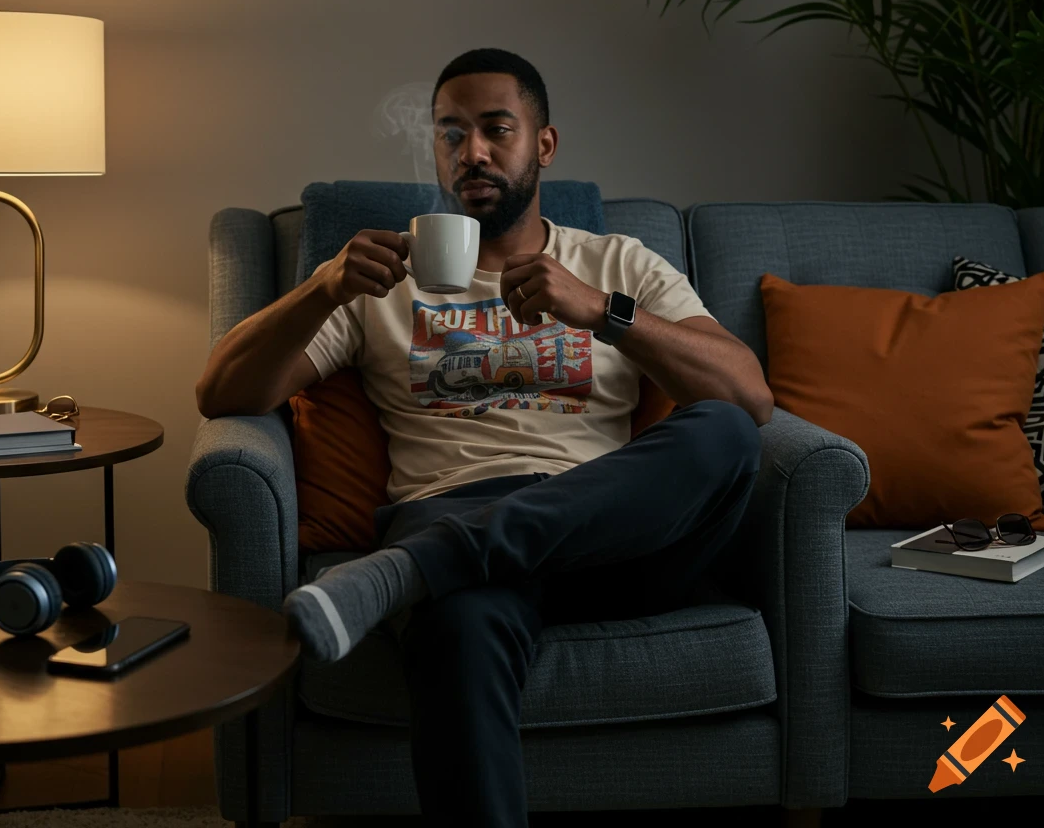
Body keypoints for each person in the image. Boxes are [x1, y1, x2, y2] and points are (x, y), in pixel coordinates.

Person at [195, 47, 774, 828]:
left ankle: (410, 571)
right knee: (457, 626)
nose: (472, 152)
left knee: (725, 431)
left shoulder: (615, 263)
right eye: (451, 133)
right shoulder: (380, 281)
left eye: (497, 129)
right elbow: (222, 392)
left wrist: (602, 311)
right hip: (454, 510)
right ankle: (439, 563)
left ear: (544, 144)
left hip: (613, 538)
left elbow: (749, 395)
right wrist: (322, 286)